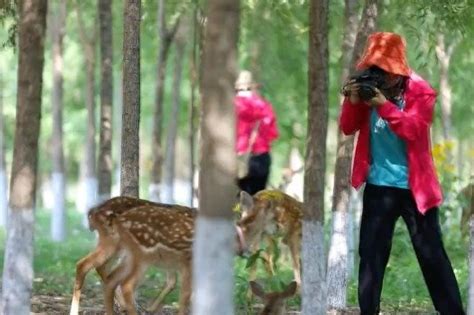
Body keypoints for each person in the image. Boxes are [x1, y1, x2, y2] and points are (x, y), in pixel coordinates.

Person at [339, 32, 465, 315]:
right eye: (376, 70)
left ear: (398, 70)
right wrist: (353, 100)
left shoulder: (421, 92)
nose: (380, 76)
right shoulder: (369, 87)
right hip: (378, 186)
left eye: (385, 71)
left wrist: (383, 104)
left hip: (414, 188)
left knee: (432, 257)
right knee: (370, 256)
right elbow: (347, 127)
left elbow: (412, 130)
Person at [234, 70, 278, 195]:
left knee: (236, 199)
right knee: (257, 199)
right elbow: (273, 134)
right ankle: (252, 213)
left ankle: (237, 213)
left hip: (236, 158)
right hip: (260, 157)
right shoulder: (264, 106)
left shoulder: (230, 106)